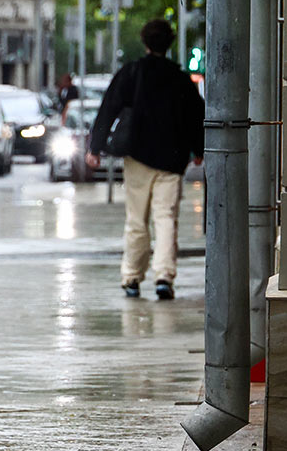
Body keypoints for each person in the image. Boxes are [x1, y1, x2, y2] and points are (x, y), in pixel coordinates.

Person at [86, 19, 204, 300]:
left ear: (144, 42)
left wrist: (96, 147)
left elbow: (109, 107)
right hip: (172, 158)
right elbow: (195, 117)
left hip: (137, 155)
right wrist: (198, 151)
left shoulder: (131, 73)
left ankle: (132, 277)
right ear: (170, 43)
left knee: (136, 219)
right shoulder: (180, 79)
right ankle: (164, 276)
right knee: (166, 218)